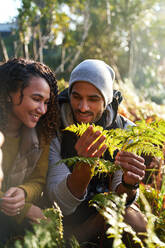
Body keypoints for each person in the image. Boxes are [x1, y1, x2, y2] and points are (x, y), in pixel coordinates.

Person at [47, 59, 147, 247]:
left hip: (106, 215)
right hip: (65, 224)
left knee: (136, 223)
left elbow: (122, 201)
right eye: (76, 97)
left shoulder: (126, 131)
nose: (83, 107)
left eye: (93, 99)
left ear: (107, 100)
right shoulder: (55, 129)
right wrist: (84, 166)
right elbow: (59, 205)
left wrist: (129, 183)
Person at [0, 57, 59, 244]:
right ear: (10, 93)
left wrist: (23, 192)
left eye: (46, 102)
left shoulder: (41, 135)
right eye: (36, 99)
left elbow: (38, 180)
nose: (42, 110)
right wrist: (24, 209)